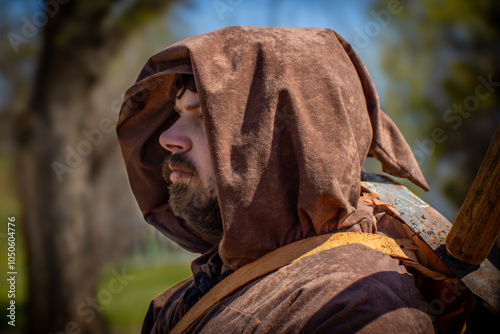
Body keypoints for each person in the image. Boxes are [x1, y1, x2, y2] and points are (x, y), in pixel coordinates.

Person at [117, 26, 435, 333]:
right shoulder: (187, 295)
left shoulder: (357, 310)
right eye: (178, 114)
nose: (168, 137)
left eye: (203, 116)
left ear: (286, 141)